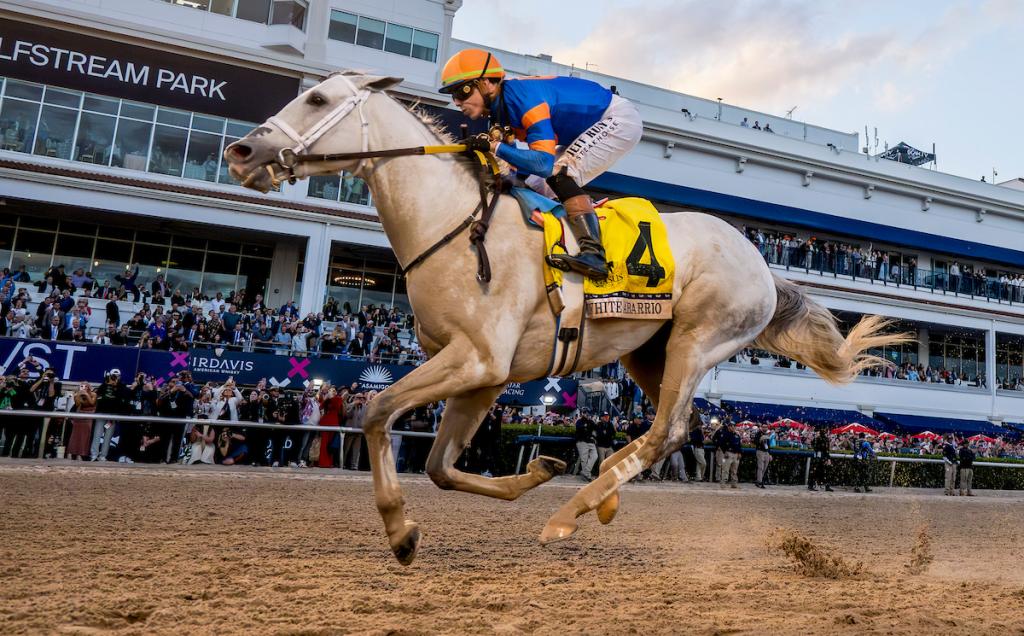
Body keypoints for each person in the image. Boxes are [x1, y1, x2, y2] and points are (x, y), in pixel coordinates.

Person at [438, 48, 643, 279]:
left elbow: (544, 164)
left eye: (462, 91)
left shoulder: (524, 100)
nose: (456, 101)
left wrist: (495, 147)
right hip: (589, 126)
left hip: (617, 119)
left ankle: (594, 255)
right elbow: (516, 172)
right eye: (452, 95)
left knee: (559, 174)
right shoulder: (499, 110)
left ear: (488, 83)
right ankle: (557, 244)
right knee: (533, 186)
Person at [574, 409, 599, 481]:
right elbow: (580, 429)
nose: (587, 415)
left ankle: (585, 472)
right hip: (582, 441)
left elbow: (596, 428)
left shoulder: (591, 421)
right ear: (583, 414)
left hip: (590, 442)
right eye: (586, 413)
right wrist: (587, 425)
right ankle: (587, 476)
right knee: (584, 459)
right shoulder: (579, 421)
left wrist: (595, 422)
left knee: (595, 456)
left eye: (588, 414)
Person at [719, 420, 742, 488]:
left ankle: (734, 483)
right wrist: (724, 451)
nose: (733, 427)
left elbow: (739, 445)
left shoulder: (737, 435)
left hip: (736, 454)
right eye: (732, 426)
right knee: (725, 469)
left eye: (734, 426)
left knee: (734, 470)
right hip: (728, 453)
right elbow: (721, 443)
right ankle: (723, 483)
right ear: (728, 427)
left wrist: (739, 453)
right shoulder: (725, 434)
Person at [688, 410, 707, 482]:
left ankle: (699, 477)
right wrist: (702, 440)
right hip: (697, 448)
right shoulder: (695, 431)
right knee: (703, 463)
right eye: (700, 425)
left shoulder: (700, 432)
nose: (701, 426)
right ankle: (701, 476)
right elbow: (693, 439)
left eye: (701, 425)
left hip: (702, 449)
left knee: (699, 464)